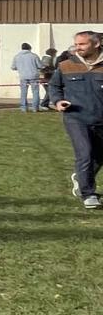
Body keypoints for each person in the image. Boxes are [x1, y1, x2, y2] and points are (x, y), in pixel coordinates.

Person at [50, 29, 103, 210]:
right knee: (85, 153)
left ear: (96, 44)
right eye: (76, 44)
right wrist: (58, 101)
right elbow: (54, 86)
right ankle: (88, 194)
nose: (78, 47)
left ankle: (81, 178)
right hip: (76, 118)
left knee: (99, 156)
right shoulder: (66, 65)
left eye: (82, 44)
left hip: (100, 118)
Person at [12, 43, 43, 112]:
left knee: (23, 92)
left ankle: (23, 107)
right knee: (35, 92)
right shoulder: (34, 56)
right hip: (34, 76)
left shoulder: (17, 56)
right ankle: (35, 108)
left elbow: (13, 67)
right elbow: (40, 66)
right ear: (29, 48)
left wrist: (20, 68)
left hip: (23, 76)